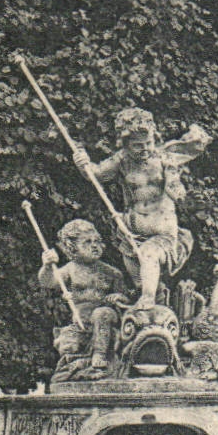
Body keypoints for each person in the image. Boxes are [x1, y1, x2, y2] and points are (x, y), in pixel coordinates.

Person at [72, 107, 209, 310]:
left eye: (149, 143)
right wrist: (83, 164)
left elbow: (174, 186)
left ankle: (147, 301)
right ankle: (151, 309)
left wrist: (182, 196)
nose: (145, 149)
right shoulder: (121, 160)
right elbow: (96, 174)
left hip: (162, 231)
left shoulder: (164, 159)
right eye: (137, 145)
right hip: (131, 233)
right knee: (142, 282)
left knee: (149, 258)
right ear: (125, 144)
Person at [38, 219, 128, 381]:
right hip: (81, 323)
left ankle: (99, 356)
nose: (94, 246)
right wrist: (46, 266)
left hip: (107, 320)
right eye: (87, 242)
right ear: (72, 248)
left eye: (97, 241)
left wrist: (118, 297)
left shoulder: (112, 273)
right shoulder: (70, 269)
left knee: (101, 313)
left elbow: (126, 301)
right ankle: (81, 365)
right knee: (68, 346)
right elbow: (49, 282)